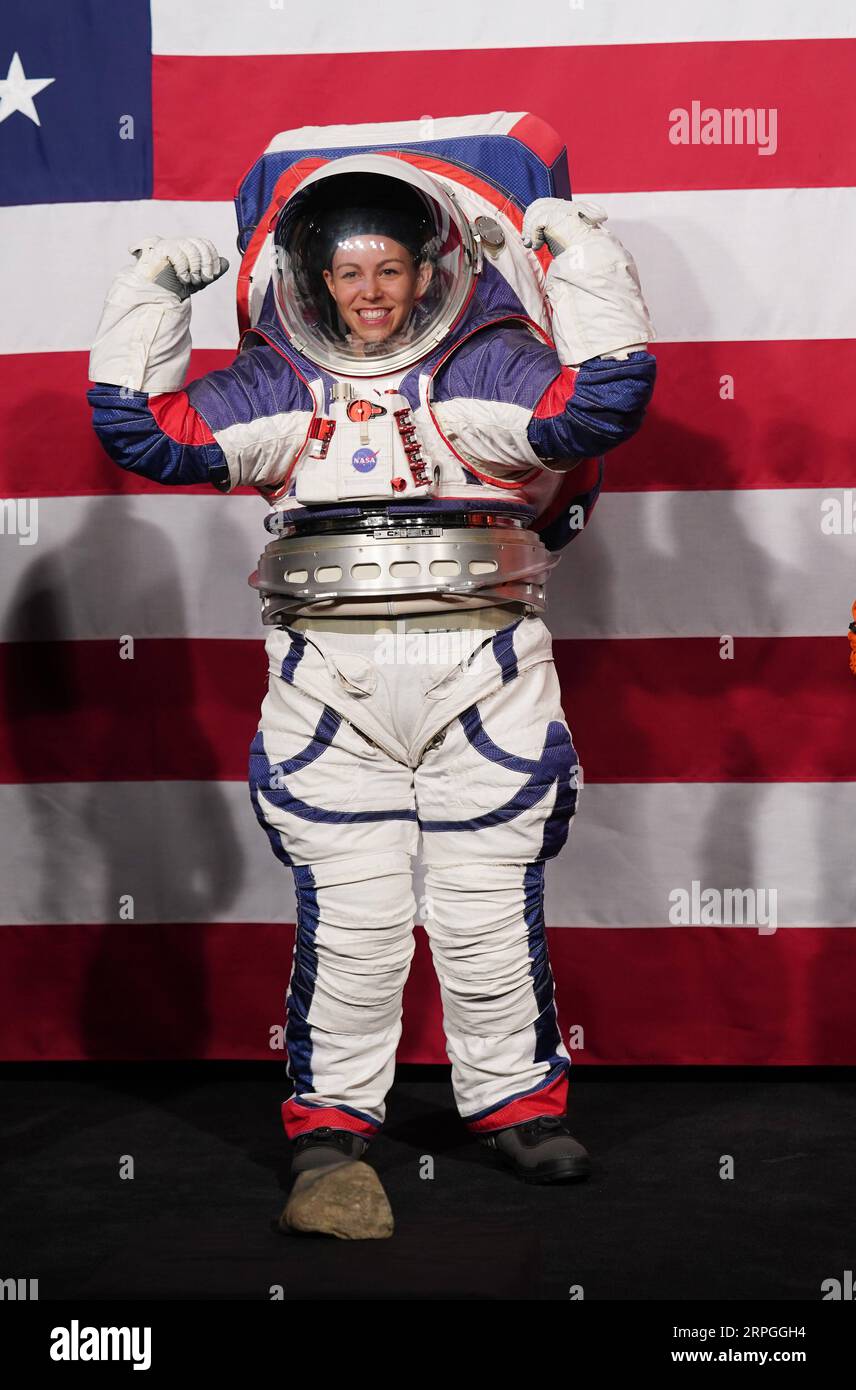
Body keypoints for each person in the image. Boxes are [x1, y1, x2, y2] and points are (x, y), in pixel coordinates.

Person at [87, 149, 656, 1237]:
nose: (371, 293)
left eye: (390, 267)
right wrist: (146, 295)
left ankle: (514, 1106)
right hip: (330, 688)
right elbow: (147, 432)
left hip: (478, 677)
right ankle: (334, 1126)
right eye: (347, 274)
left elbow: (594, 409)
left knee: (485, 909)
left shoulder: (483, 370)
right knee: (355, 921)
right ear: (310, 279)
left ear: (430, 266)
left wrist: (584, 264)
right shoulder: (278, 389)